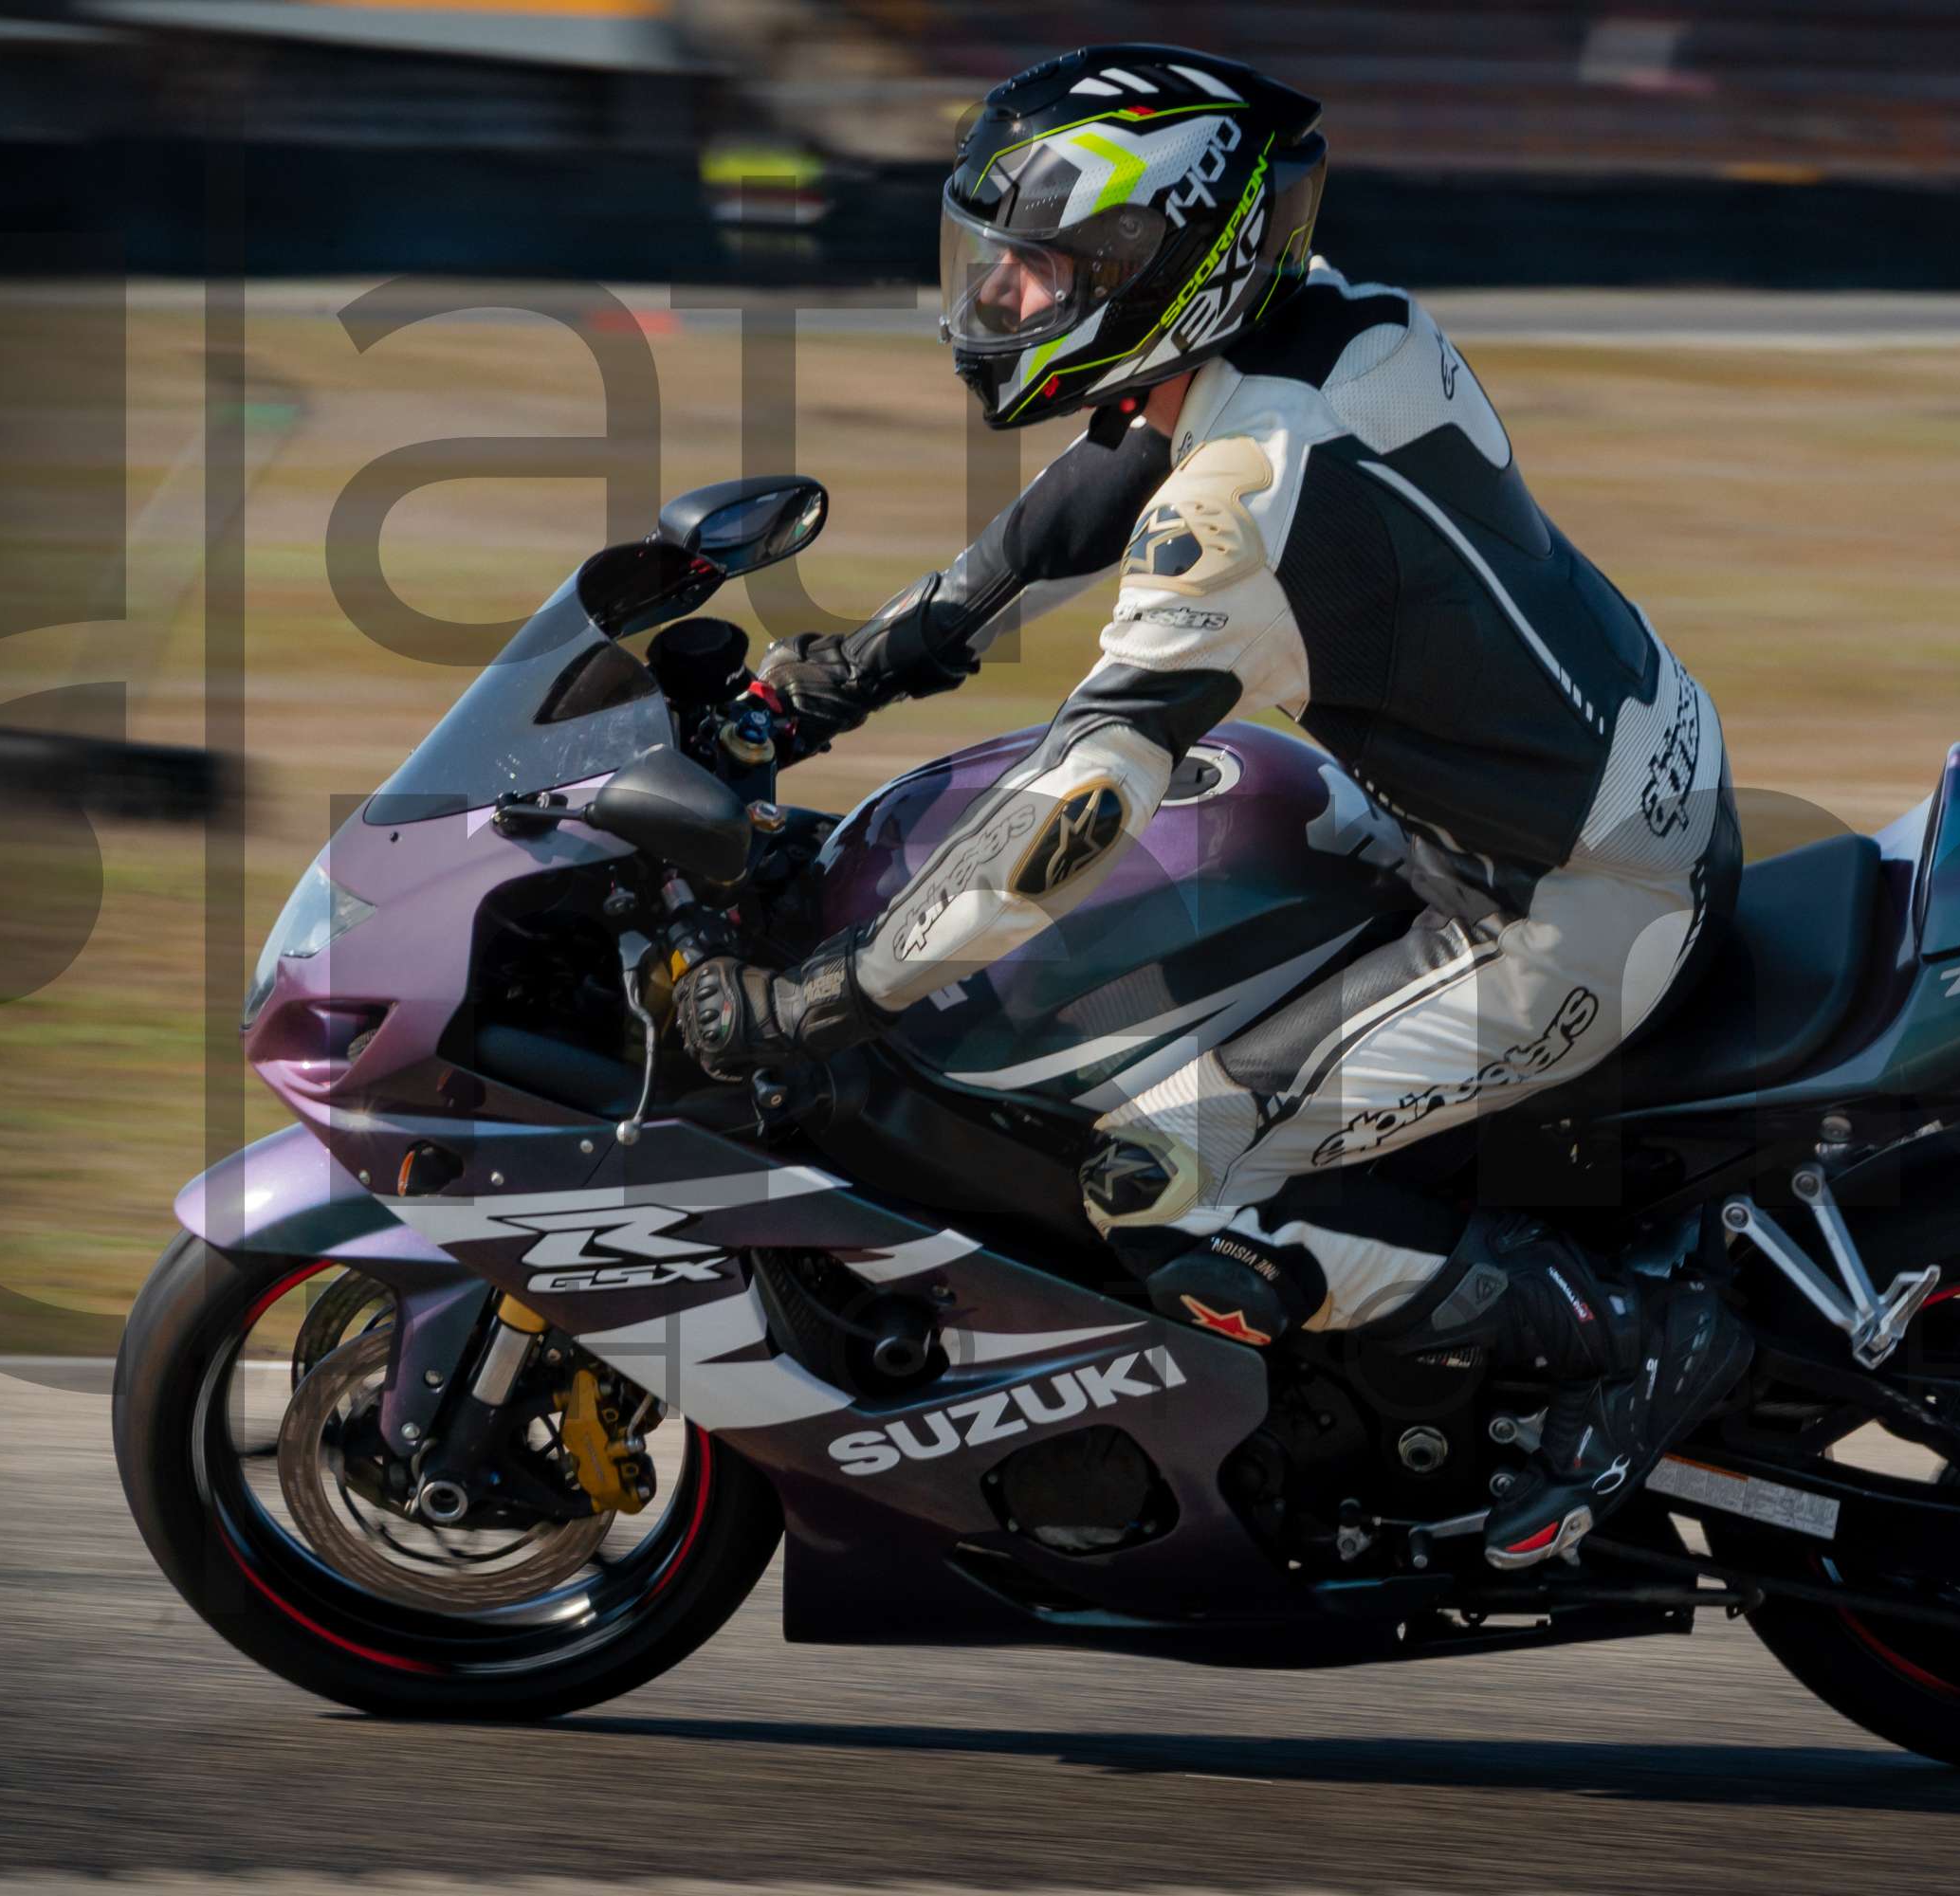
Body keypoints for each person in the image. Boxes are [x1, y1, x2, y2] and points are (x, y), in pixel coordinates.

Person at [671, 44, 1749, 1567]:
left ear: (1163, 266)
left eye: (1044, 269)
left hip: (1571, 907)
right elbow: (1088, 491)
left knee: (1155, 1177)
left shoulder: (1247, 500)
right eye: (997, 262)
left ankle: (1618, 1340)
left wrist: (829, 997)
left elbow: (1073, 808)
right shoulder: (1342, 329)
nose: (1000, 297)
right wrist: (839, 678)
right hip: (1585, 789)